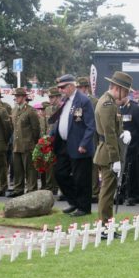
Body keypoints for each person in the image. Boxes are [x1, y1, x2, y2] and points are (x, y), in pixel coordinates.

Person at [50, 74, 95, 216]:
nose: (61, 90)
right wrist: (50, 137)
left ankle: (84, 208)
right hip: (64, 144)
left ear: (71, 86)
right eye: (59, 88)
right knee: (60, 173)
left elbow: (90, 126)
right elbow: (61, 122)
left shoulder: (83, 100)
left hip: (79, 145)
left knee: (81, 178)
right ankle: (75, 202)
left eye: (62, 87)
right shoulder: (66, 101)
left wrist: (84, 144)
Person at [93, 71, 132, 234]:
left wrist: (123, 133)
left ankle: (107, 226)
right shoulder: (107, 104)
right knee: (107, 194)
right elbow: (108, 134)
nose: (126, 95)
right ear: (118, 88)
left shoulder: (110, 102)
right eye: (126, 91)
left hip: (108, 152)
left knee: (108, 192)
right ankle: (104, 228)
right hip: (108, 154)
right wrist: (115, 159)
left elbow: (114, 130)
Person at [7, 87, 40, 198]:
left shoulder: (30, 111)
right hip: (17, 144)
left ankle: (31, 188)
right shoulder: (14, 110)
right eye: (15, 96)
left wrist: (32, 142)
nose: (16, 98)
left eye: (18, 96)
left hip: (27, 144)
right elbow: (13, 127)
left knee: (30, 169)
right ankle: (18, 188)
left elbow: (36, 129)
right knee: (17, 168)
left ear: (24, 97)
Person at [76, 77, 100, 203]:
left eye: (80, 88)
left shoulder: (95, 101)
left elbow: (97, 121)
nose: (78, 90)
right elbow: (77, 120)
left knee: (93, 165)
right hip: (81, 137)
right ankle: (85, 191)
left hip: (93, 137)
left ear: (86, 88)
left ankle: (95, 192)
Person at [118, 95, 139, 205]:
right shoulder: (118, 109)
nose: (117, 100)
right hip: (121, 147)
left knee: (132, 172)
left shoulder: (135, 108)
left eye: (119, 98)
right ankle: (120, 194)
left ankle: (133, 195)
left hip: (133, 146)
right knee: (121, 171)